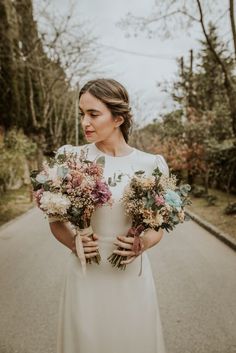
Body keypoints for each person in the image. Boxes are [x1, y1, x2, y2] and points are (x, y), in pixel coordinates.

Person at [49, 78, 169, 353]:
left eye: (93, 114)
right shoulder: (70, 158)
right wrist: (73, 242)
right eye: (82, 114)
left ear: (118, 118)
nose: (84, 123)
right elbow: (55, 221)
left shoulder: (151, 164)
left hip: (131, 278)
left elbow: (158, 226)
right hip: (85, 274)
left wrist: (144, 243)